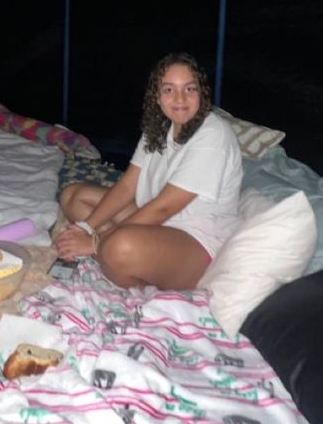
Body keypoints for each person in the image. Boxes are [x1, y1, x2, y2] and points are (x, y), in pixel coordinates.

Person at [55, 52, 242, 290]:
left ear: (201, 93)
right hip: (157, 225)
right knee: (72, 195)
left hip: (197, 245)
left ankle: (127, 267)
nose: (180, 98)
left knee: (119, 247)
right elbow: (127, 185)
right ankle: (120, 256)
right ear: (157, 96)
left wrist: (95, 241)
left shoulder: (214, 134)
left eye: (189, 89)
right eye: (168, 90)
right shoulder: (159, 128)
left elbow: (165, 207)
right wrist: (86, 228)